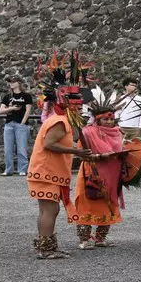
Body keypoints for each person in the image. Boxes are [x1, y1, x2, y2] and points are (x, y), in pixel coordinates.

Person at [70, 88, 141, 250]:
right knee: (87, 204)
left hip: (112, 175)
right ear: (97, 119)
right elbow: (82, 155)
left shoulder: (118, 132)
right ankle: (84, 239)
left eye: (111, 119)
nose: (109, 122)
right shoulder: (87, 132)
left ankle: (100, 238)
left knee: (108, 204)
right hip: (92, 173)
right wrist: (99, 157)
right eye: (105, 119)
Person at [27, 80, 86, 259]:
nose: (81, 110)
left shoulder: (61, 120)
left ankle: (46, 246)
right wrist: (76, 151)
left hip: (47, 172)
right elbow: (49, 144)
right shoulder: (60, 121)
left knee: (48, 210)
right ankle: (45, 249)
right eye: (78, 107)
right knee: (50, 210)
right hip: (46, 172)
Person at [1, 78, 33, 178]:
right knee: (8, 149)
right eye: (10, 82)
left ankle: (22, 170)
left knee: (21, 148)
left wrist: (23, 123)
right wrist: (11, 108)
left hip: (21, 124)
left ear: (18, 83)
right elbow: (1, 110)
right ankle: (8, 170)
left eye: (13, 82)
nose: (11, 84)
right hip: (9, 124)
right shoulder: (7, 96)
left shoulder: (26, 96)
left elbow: (28, 110)